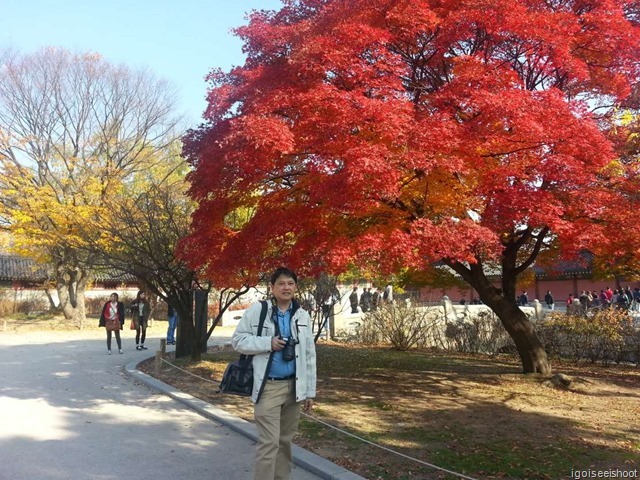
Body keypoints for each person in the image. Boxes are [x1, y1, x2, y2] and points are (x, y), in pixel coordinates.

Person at [231, 267, 316, 480]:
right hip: (268, 386)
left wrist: (309, 391)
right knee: (269, 443)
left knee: (285, 442)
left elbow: (309, 355)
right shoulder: (259, 311)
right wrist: (268, 343)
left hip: (294, 388)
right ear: (272, 287)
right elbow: (238, 341)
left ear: (295, 287)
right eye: (281, 283)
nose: (286, 287)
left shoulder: (302, 315)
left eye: (290, 283)